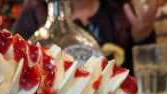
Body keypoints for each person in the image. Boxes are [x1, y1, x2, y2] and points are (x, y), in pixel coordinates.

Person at [13, 0, 158, 71]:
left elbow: (148, 70)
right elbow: (16, 65)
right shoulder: (35, 12)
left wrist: (142, 37)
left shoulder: (120, 10)